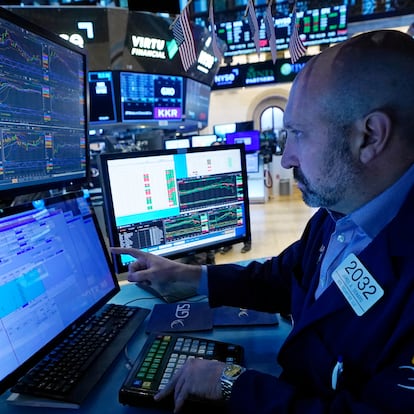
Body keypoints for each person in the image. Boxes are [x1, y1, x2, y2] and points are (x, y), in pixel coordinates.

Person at [111, 30, 414, 414]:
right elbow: (283, 277)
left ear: (369, 137)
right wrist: (188, 276)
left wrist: (231, 384)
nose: (286, 158)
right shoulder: (339, 215)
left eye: (298, 135)